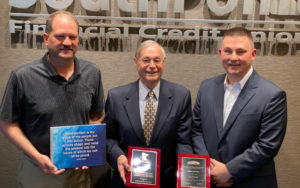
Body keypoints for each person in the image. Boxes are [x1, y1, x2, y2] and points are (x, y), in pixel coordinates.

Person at [0, 10, 105, 188]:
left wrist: (83, 149)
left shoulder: (92, 73)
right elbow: (7, 123)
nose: (67, 42)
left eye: (72, 37)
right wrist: (36, 156)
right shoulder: (22, 76)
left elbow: (97, 114)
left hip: (78, 172)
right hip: (38, 169)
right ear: (46, 39)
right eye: (60, 36)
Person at [192, 27, 287, 188]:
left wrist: (229, 171)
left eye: (240, 51)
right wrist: (207, 165)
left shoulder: (272, 95)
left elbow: (267, 145)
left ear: (253, 54)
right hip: (208, 180)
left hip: (250, 182)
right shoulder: (206, 87)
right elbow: (196, 129)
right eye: (228, 51)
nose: (233, 57)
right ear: (221, 53)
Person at [105, 40, 193, 188]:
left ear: (163, 63)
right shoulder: (116, 97)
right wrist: (117, 156)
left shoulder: (181, 95)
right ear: (136, 62)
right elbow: (108, 138)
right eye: (146, 60)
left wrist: (187, 173)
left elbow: (184, 141)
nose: (152, 66)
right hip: (127, 179)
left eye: (157, 60)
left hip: (166, 182)